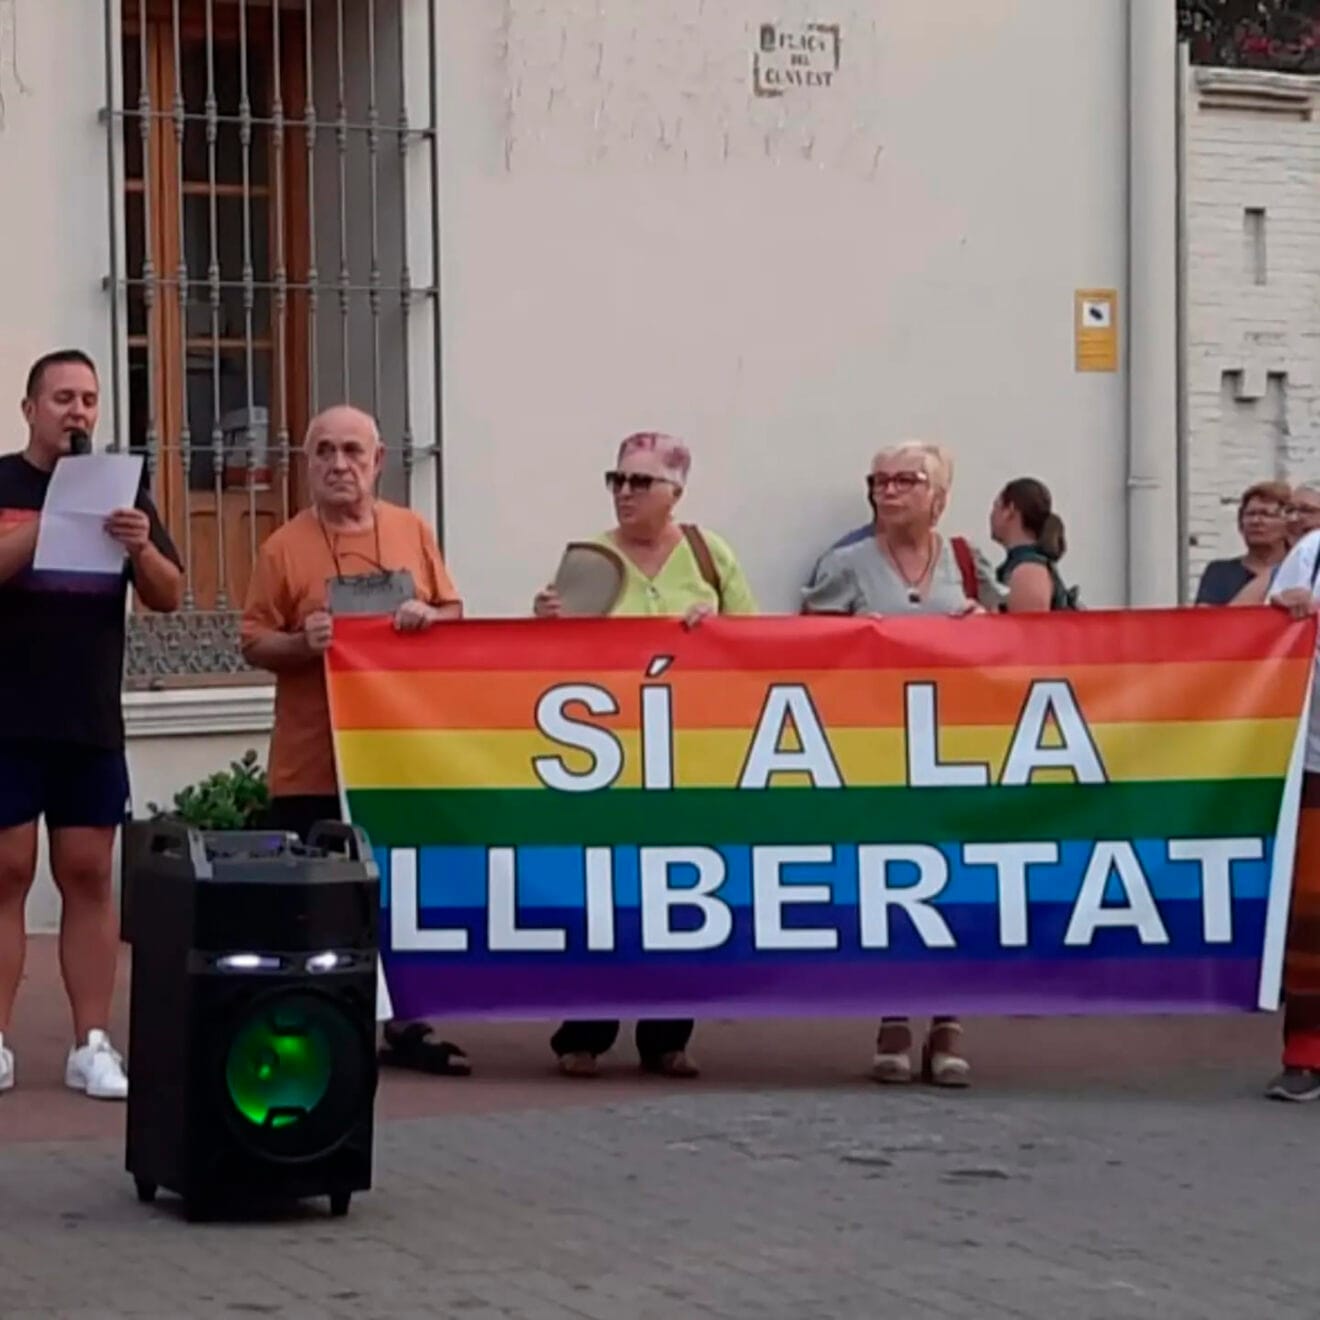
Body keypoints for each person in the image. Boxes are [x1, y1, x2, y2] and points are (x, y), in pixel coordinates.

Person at [240, 404, 472, 1078]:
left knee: (398, 891)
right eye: (324, 452)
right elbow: (254, 639)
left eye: (352, 452)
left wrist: (430, 617)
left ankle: (408, 1022)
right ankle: (328, 1020)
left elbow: (455, 614)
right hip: (314, 760)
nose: (339, 465)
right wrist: (299, 642)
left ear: (378, 462)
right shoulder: (283, 547)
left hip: (397, 759)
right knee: (319, 901)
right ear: (306, 464)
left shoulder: (411, 529)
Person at [532, 431, 758, 1079]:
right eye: (617, 480)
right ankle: (585, 1031)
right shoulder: (591, 557)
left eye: (640, 482)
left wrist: (713, 632)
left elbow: (759, 647)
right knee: (605, 893)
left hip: (687, 753)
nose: (624, 493)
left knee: (680, 891)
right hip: (608, 755)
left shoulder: (709, 556)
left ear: (676, 492)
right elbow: (552, 659)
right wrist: (544, 623)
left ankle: (667, 1036)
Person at [0, 348, 183, 1099]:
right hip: (7, 716)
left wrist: (140, 545)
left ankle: (92, 1042)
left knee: (88, 876)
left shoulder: (123, 488)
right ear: (30, 409)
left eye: (89, 400)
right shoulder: (4, 482)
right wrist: (51, 521)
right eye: (63, 398)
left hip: (88, 720)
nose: (77, 412)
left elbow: (171, 594)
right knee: (6, 874)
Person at [803, 440, 990, 1087]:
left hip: (954, 749)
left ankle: (949, 1020)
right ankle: (891, 1013)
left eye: (904, 480)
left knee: (955, 880)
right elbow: (803, 651)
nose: (887, 491)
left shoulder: (967, 561)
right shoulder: (847, 565)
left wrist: (982, 624)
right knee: (890, 881)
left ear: (938, 497)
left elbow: (1024, 642)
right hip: (876, 750)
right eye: (877, 480)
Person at [1265, 529, 1320, 1100]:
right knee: (1312, 910)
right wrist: (1283, 609)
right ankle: (1305, 1053)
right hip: (1314, 757)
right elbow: (1264, 636)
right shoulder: (1312, 551)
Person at [1194, 480, 1289, 605]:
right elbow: (1206, 620)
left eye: (1266, 514)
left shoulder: (1302, 571)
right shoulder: (1220, 573)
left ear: (1288, 523)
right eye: (1250, 514)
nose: (1256, 521)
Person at [989, 477, 1075, 611]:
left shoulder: (1027, 572)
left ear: (1009, 510)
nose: (992, 514)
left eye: (996, 506)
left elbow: (1026, 631)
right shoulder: (1025, 567)